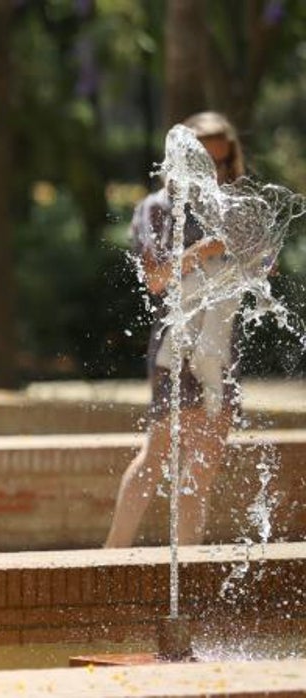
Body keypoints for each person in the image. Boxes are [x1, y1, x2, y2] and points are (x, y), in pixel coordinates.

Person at [105, 111, 249, 548]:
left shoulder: (234, 207)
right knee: (157, 456)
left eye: (225, 163)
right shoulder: (157, 209)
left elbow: (260, 269)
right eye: (208, 161)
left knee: (202, 467)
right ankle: (111, 554)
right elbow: (155, 278)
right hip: (176, 345)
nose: (217, 172)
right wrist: (200, 251)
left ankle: (188, 565)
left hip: (222, 348)